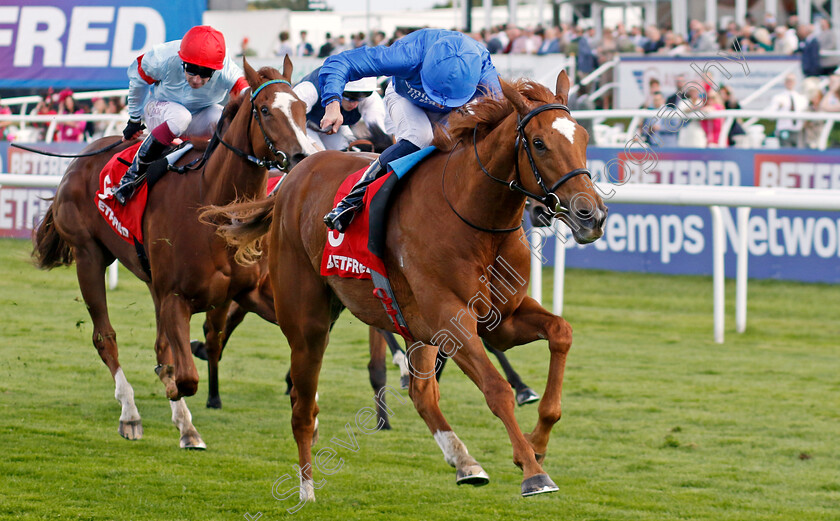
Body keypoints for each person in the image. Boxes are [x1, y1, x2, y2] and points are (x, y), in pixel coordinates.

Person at [319, 28, 501, 232]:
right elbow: (340, 62)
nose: (439, 104)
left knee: (459, 146)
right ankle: (350, 201)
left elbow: (504, 117)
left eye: (445, 98)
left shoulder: (485, 71)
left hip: (455, 110)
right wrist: (332, 103)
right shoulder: (407, 54)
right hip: (404, 97)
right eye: (437, 93)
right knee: (421, 137)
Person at [113, 25, 248, 204]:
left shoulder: (227, 68)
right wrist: (134, 119)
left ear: (216, 69)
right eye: (191, 69)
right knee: (181, 117)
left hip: (199, 115)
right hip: (162, 111)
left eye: (205, 73)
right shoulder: (164, 56)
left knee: (225, 119)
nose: (197, 80)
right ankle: (131, 177)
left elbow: (249, 94)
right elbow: (138, 79)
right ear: (182, 60)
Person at [293, 66, 386, 151]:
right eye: (349, 96)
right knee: (318, 157)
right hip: (304, 127)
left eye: (360, 98)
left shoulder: (371, 97)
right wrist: (315, 147)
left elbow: (379, 131)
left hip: (335, 128)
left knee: (352, 154)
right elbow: (291, 122)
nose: (354, 103)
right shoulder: (308, 90)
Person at [767, 73, 808, 148]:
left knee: (799, 155)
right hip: (784, 129)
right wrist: (778, 107)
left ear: (795, 82)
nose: (790, 82)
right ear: (784, 82)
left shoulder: (801, 98)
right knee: (786, 153)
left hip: (798, 131)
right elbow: (770, 116)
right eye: (788, 80)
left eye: (792, 80)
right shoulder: (778, 98)